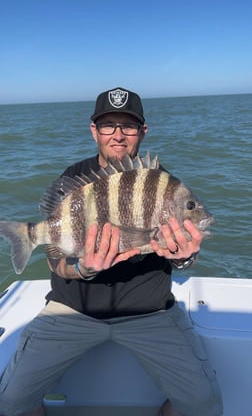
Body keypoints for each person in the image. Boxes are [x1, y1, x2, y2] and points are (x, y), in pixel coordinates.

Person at [0, 87, 223, 416]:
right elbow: (54, 257)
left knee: (204, 405)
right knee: (11, 402)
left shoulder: (163, 185)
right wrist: (82, 268)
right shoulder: (75, 178)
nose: (118, 135)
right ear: (94, 130)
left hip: (150, 311)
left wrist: (184, 255)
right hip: (74, 308)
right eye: (108, 125)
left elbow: (185, 257)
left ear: (142, 131)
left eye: (128, 126)